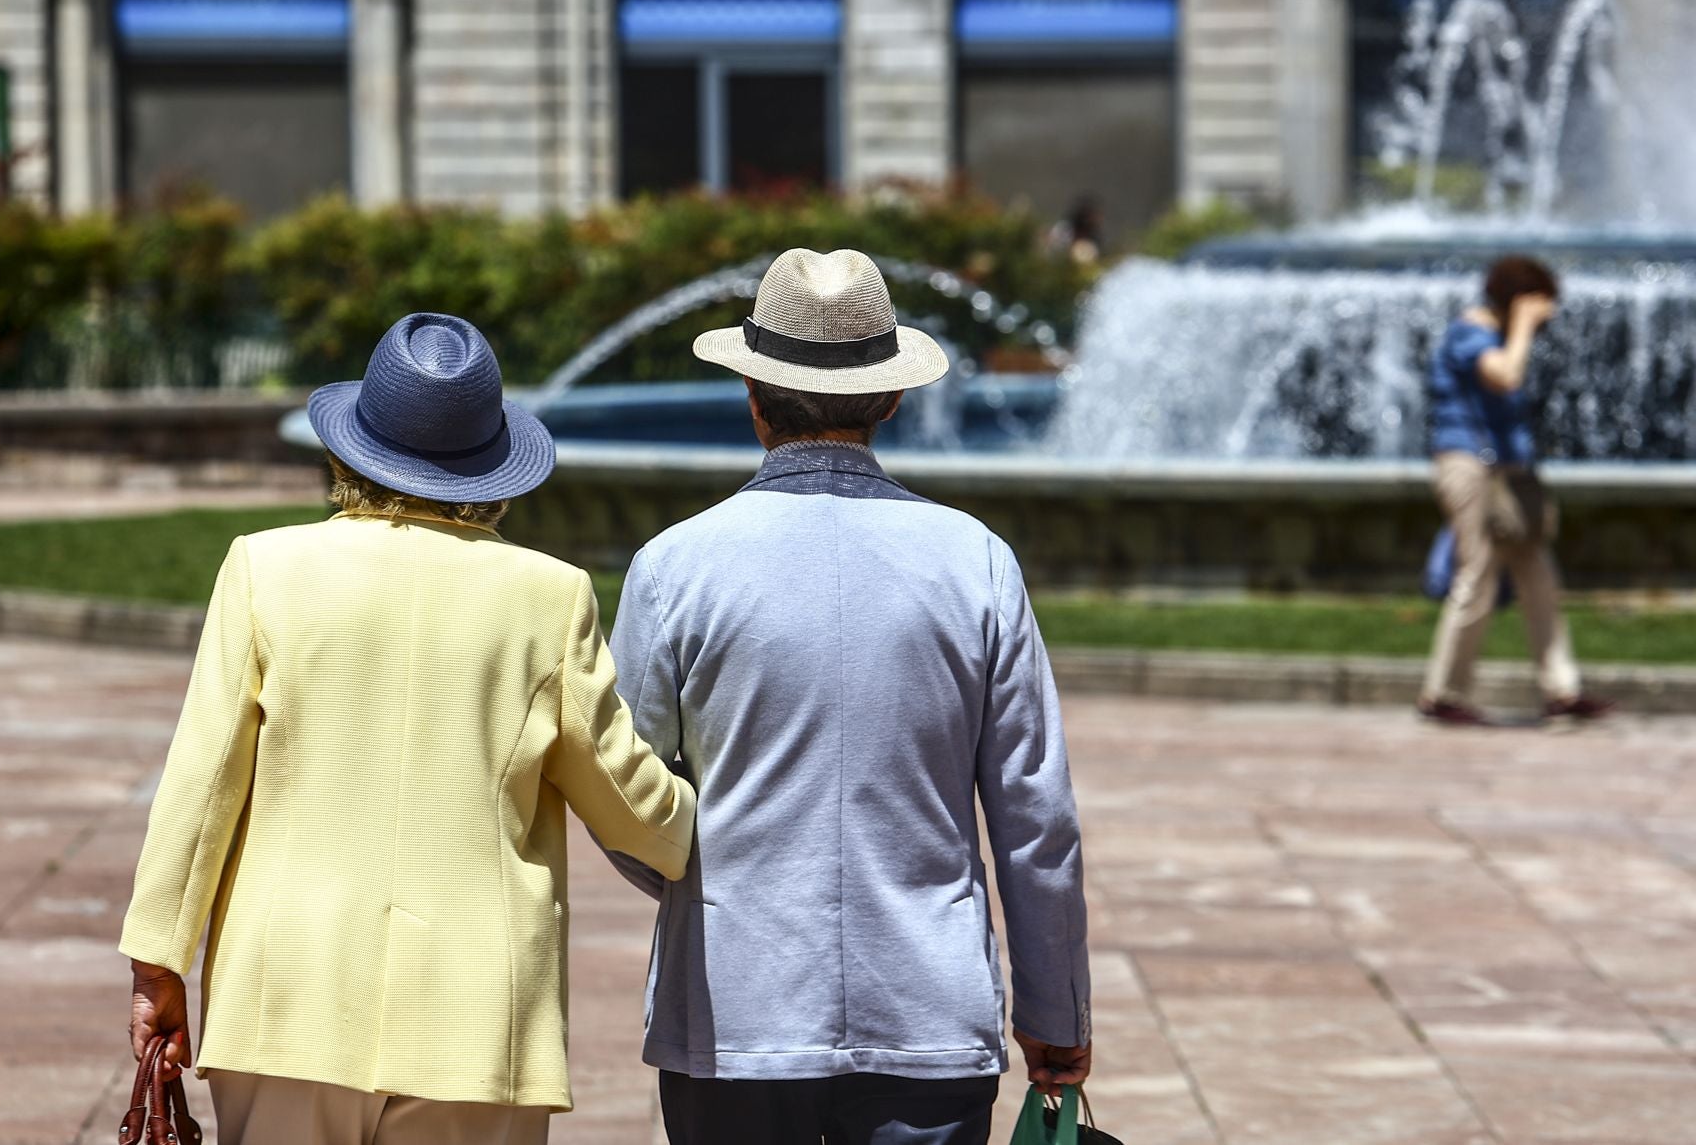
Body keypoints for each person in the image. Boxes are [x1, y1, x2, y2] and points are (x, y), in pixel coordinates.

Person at [119, 313, 698, 1145]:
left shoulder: (264, 568)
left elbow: (202, 784)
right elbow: (626, 798)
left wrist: (158, 960)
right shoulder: (548, 594)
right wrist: (711, 831)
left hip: (289, 999)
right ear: (493, 465)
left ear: (351, 447)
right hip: (473, 1015)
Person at [603, 249, 1092, 1145]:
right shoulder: (973, 559)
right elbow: (1035, 817)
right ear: (891, 397)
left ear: (751, 394)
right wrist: (1055, 1009)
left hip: (734, 1005)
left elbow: (624, 791)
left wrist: (694, 875)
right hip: (929, 1007)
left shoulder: (674, 565)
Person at [1417, 256, 1614, 725]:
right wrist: (1523, 323)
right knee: (1477, 576)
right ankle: (1443, 694)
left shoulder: (1497, 335)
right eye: (1541, 306)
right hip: (1470, 468)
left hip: (1508, 474)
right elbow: (1504, 375)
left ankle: (1562, 690)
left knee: (1539, 578)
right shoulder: (1470, 333)